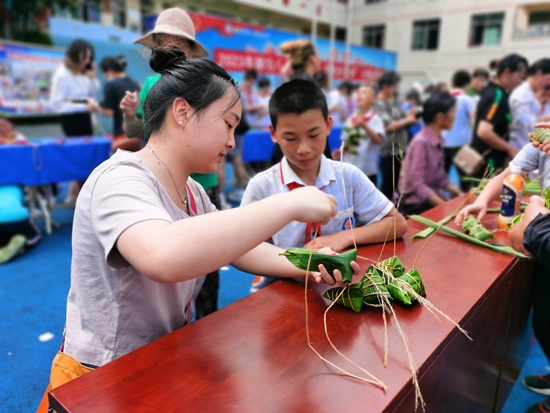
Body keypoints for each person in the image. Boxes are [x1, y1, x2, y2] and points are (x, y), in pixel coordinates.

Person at [38, 49, 358, 412]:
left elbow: (243, 248)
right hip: (104, 375)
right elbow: (164, 255)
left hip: (158, 357)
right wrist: (289, 204)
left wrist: (309, 261)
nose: (232, 141)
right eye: (227, 124)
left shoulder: (191, 191)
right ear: (182, 112)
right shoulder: (119, 178)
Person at [241, 79, 408, 292]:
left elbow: (398, 224)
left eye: (314, 135)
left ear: (328, 126)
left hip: (339, 290)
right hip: (283, 290)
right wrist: (303, 264)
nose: (304, 149)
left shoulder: (348, 176)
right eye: (290, 138)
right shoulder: (261, 187)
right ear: (273, 134)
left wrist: (343, 237)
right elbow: (242, 249)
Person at [119, 7, 221, 320]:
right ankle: (168, 335)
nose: (169, 47)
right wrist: (129, 114)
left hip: (200, 186)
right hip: (159, 187)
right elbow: (139, 135)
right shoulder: (151, 86)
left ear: (191, 50)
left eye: (177, 42)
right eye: (163, 41)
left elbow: (218, 136)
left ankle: (207, 324)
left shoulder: (207, 84)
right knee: (160, 265)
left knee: (207, 261)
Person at [457, 124, 550, 413]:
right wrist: (482, 200)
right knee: (544, 316)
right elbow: (511, 173)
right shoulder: (542, 144)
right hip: (544, 240)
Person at [399, 92, 462, 215]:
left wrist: (459, 193)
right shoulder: (421, 142)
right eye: (453, 113)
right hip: (415, 203)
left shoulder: (436, 140)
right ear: (440, 117)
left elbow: (440, 178)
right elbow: (417, 184)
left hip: (430, 196)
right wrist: (445, 206)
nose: (455, 117)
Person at [469, 54, 528, 175]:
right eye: (519, 77)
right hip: (489, 161)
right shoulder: (497, 95)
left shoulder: (497, 92)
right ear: (507, 72)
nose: (520, 82)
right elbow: (484, 131)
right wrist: (510, 149)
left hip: (491, 159)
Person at [374, 71, 419, 201]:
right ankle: (384, 215)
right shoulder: (379, 104)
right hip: (390, 150)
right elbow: (387, 126)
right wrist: (407, 120)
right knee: (388, 186)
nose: (396, 89)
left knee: (396, 184)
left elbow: (400, 118)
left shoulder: (392, 102)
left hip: (399, 149)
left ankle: (392, 211)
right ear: (387, 86)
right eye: (395, 86)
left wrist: (410, 115)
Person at [50, 39, 99, 137]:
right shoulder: (62, 74)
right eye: (84, 57)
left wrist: (92, 78)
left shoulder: (82, 72)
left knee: (88, 147)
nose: (87, 61)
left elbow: (92, 93)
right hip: (71, 119)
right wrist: (83, 107)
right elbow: (56, 103)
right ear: (74, 55)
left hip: (87, 117)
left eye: (89, 58)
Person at [341, 83, 384, 184]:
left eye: (364, 93)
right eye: (358, 93)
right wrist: (341, 150)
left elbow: (379, 140)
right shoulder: (351, 118)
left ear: (372, 99)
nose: (359, 96)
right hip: (349, 170)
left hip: (367, 172)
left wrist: (365, 127)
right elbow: (346, 141)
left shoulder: (375, 119)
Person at [96, 56, 141, 151]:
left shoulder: (111, 85)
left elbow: (108, 112)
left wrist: (95, 106)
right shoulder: (135, 84)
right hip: (137, 133)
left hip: (121, 135)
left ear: (109, 71)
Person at [442, 70, 477, 190]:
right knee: (465, 179)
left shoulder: (443, 97)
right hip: (462, 144)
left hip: (442, 142)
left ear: (452, 82)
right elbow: (474, 119)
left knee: (439, 178)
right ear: (467, 84)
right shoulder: (467, 99)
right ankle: (464, 204)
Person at [509, 58, 550, 150]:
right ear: (539, 74)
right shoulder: (522, 94)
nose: (548, 83)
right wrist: (546, 119)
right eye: (548, 79)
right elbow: (526, 124)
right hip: (518, 147)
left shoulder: (531, 93)